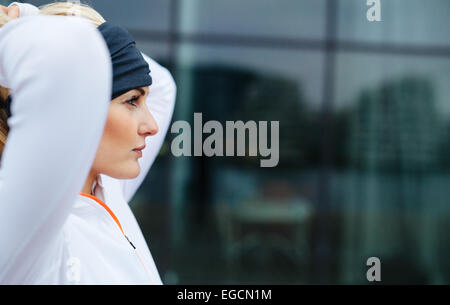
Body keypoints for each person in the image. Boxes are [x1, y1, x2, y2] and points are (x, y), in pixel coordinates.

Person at [0, 2, 176, 284]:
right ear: (73, 109)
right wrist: (18, 28)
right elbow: (80, 57)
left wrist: (34, 20)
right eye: (132, 100)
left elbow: (164, 86)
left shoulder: (107, 190)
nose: (153, 126)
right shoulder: (36, 236)